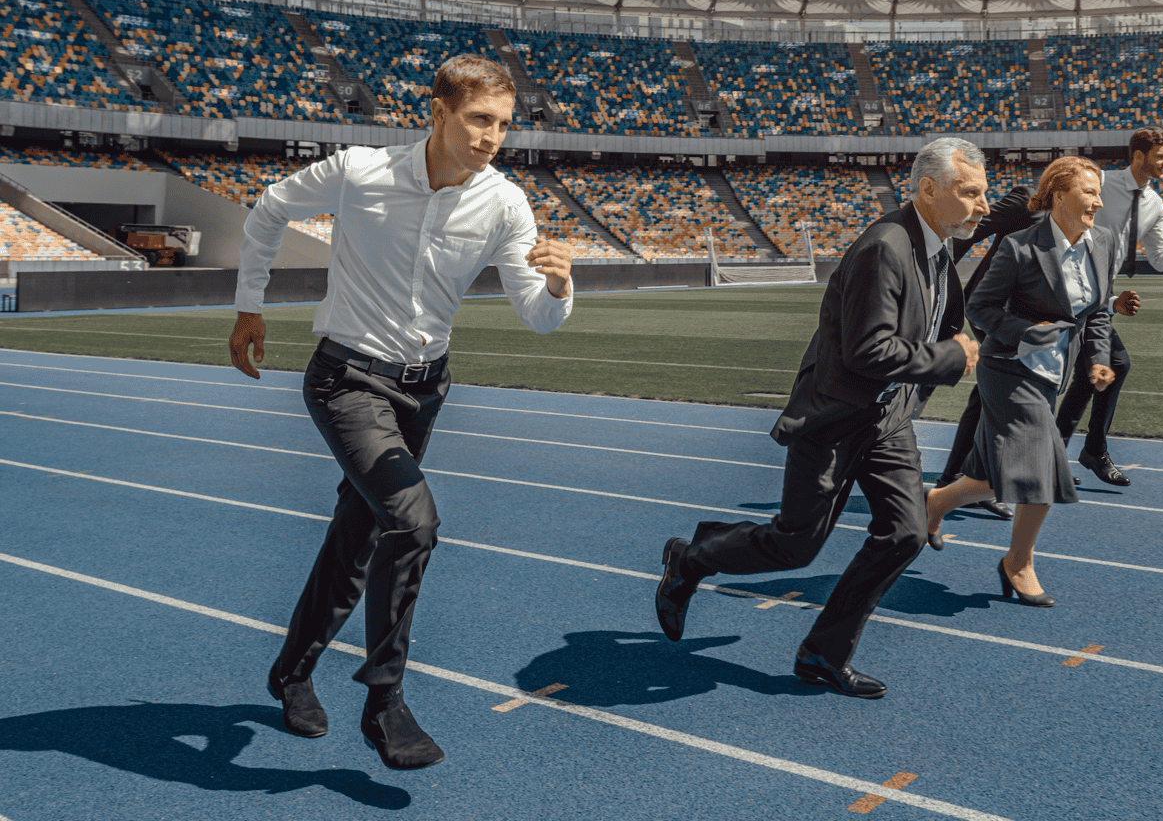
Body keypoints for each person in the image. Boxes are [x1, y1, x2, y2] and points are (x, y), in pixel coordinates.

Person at [229, 55, 575, 770]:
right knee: (414, 522)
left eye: (504, 125)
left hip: (423, 391)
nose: (492, 137)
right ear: (439, 111)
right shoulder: (359, 170)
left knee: (359, 537)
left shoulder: (505, 203)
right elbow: (269, 209)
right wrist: (248, 306)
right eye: (481, 119)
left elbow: (536, 318)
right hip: (347, 379)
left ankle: (291, 672)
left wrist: (560, 286)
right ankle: (384, 698)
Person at [654, 137, 988, 699]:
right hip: (835, 416)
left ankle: (821, 654)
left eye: (985, 193)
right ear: (929, 190)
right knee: (796, 545)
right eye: (971, 192)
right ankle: (692, 557)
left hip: (888, 419)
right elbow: (868, 352)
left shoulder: (938, 238)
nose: (981, 204)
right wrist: (955, 355)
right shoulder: (885, 246)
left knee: (905, 533)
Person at [925, 156, 1124, 607]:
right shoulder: (1020, 246)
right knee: (1042, 467)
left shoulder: (1106, 242)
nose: (1098, 200)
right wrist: (1025, 332)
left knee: (998, 475)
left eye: (1099, 191)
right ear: (1059, 195)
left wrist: (1097, 359)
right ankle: (1018, 562)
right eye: (1089, 191)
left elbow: (1096, 313)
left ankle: (935, 502)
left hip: (1053, 372)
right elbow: (979, 307)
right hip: (1010, 369)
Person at [1054, 128, 1163, 486]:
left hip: (1098, 297)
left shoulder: (1154, 203)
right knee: (1103, 367)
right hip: (1068, 290)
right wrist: (1109, 302)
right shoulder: (1099, 184)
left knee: (1103, 370)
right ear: (1139, 156)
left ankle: (1071, 452)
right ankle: (1065, 453)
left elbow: (1160, 256)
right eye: (1162, 156)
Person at [934, 181, 1047, 520]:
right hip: (993, 307)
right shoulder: (1024, 202)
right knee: (998, 391)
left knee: (990, 395)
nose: (1095, 199)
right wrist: (931, 276)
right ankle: (966, 479)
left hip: (1025, 315)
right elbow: (968, 232)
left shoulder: (1073, 221)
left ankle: (962, 478)